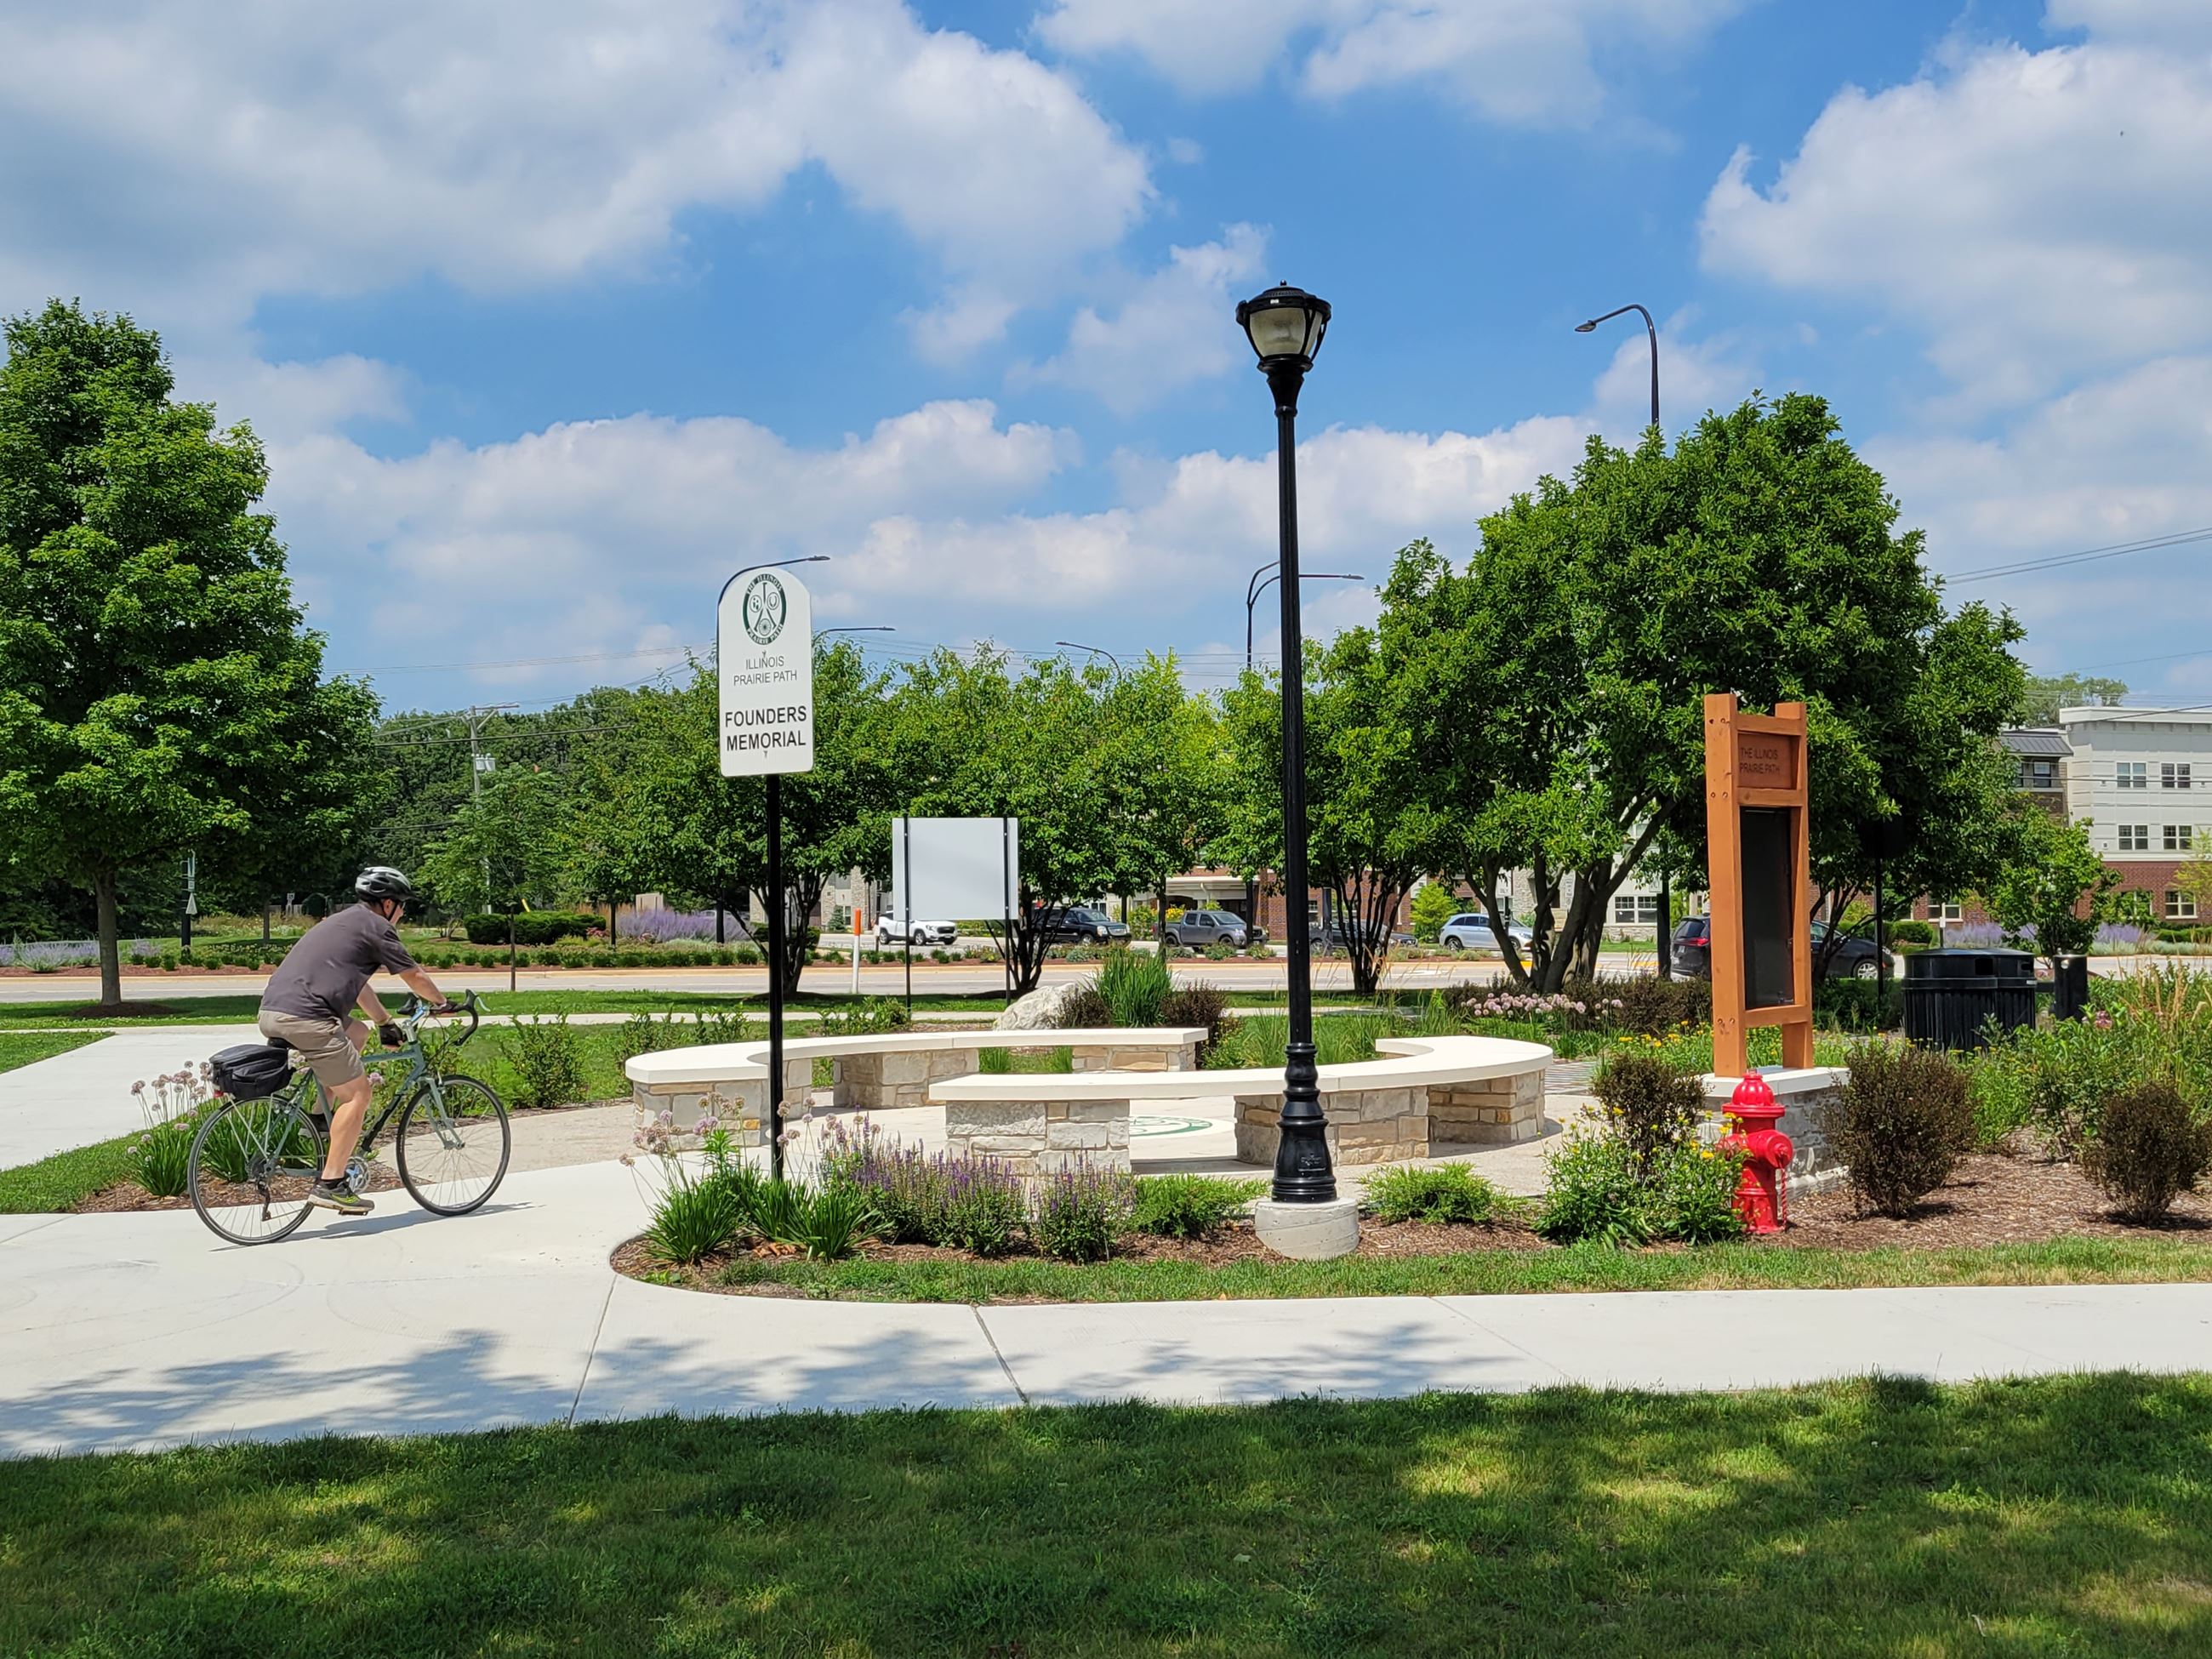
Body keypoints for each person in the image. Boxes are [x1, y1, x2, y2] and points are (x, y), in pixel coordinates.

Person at [258, 867, 453, 1216]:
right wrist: (442, 1004)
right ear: (388, 903)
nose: (403, 912)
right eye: (402, 905)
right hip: (309, 1018)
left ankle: (319, 1117)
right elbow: (414, 975)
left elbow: (357, 984)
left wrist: (384, 1022)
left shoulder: (343, 921)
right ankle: (331, 1184)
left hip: (273, 1011)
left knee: (357, 1032)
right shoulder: (378, 927)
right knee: (359, 1094)